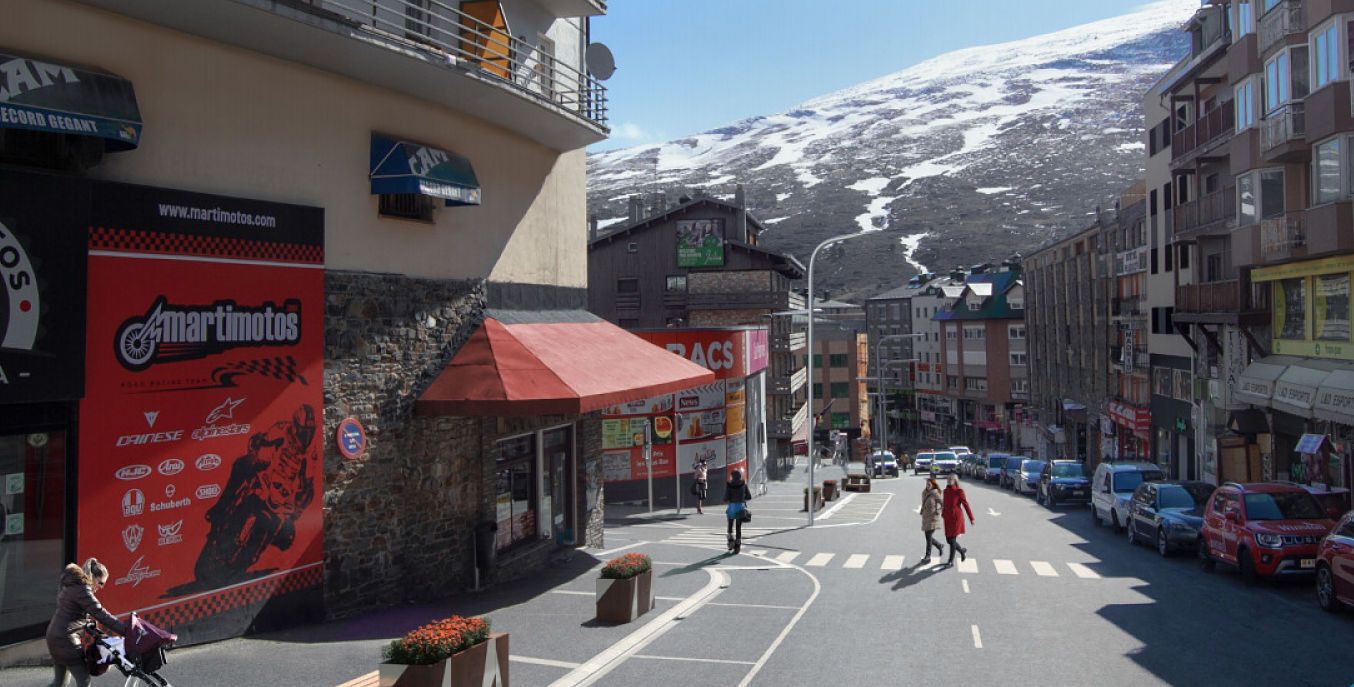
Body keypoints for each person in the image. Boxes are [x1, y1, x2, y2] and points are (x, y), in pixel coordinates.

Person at [46, 558, 127, 687]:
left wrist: (87, 622)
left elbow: (71, 612)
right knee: (84, 682)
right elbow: (102, 615)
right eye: (100, 583)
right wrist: (126, 630)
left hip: (53, 636)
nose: (101, 587)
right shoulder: (83, 590)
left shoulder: (72, 584)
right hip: (66, 641)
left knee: (59, 683)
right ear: (93, 577)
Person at [942, 474, 975, 567]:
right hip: (947, 518)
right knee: (948, 540)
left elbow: (965, 505)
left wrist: (971, 518)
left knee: (952, 540)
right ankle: (961, 551)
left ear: (955, 480)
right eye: (948, 479)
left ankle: (950, 561)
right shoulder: (945, 491)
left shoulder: (959, 491)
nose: (948, 480)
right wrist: (943, 514)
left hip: (956, 518)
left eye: (951, 479)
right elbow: (945, 504)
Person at [724, 469, 752, 553]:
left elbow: (725, 498)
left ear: (732, 476)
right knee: (738, 527)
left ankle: (730, 541)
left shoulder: (729, 485)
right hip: (740, 507)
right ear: (740, 476)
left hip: (732, 507)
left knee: (730, 525)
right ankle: (737, 546)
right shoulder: (744, 484)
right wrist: (742, 498)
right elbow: (749, 496)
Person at [920, 478, 945, 563]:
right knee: (928, 536)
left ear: (933, 485)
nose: (927, 486)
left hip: (933, 518)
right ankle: (939, 545)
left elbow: (943, 504)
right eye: (927, 484)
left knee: (928, 536)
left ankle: (928, 556)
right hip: (926, 517)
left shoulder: (935, 493)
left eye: (929, 484)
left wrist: (938, 511)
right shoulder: (924, 492)